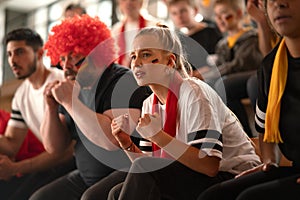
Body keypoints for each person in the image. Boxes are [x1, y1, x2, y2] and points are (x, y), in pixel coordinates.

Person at [108, 24, 261, 200]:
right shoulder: (149, 104)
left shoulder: (195, 93)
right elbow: (148, 168)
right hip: (195, 175)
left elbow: (209, 165)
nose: (136, 63)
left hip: (231, 176)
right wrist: (126, 142)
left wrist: (158, 135)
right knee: (114, 193)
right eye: (133, 56)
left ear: (170, 61)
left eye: (146, 55)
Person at [29, 14, 150, 200]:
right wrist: (51, 107)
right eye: (62, 60)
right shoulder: (72, 85)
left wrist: (70, 102)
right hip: (85, 178)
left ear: (97, 57)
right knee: (40, 198)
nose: (66, 67)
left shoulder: (123, 81)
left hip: (128, 173)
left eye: (75, 59)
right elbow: (55, 147)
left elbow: (111, 140)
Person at [198, 0, 300, 199]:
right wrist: (267, 164)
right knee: (211, 196)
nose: (279, 4)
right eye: (271, 1)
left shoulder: (249, 40)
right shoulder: (271, 66)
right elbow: (264, 129)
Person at [0, 28, 75, 200]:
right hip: (52, 162)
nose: (13, 60)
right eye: (9, 54)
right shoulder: (20, 95)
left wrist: (15, 168)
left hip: (73, 161)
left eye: (19, 52)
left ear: (40, 53)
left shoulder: (60, 82)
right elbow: (12, 143)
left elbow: (65, 150)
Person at [199, 0, 263, 137]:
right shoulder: (222, 44)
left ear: (239, 14)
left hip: (247, 77)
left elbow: (239, 64)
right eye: (217, 16)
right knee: (207, 86)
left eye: (226, 15)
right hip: (227, 79)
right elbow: (221, 66)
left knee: (222, 84)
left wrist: (209, 73)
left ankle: (244, 134)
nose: (221, 20)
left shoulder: (251, 37)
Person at [166, 0, 222, 80]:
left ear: (195, 10)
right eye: (174, 13)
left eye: (183, 11)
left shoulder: (211, 32)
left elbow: (218, 62)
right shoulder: (178, 40)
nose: (179, 17)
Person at [111, 0, 158, 67]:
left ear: (141, 2)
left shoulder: (154, 27)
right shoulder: (115, 31)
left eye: (133, 0)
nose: (128, 2)